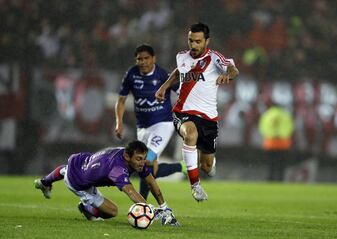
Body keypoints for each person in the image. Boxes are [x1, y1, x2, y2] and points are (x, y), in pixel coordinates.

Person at [155, 23, 239, 201]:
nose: (193, 45)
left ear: (207, 41)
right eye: (190, 41)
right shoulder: (181, 56)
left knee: (206, 166)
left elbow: (233, 69)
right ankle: (195, 186)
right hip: (182, 111)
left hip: (208, 118)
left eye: (198, 42)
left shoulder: (214, 58)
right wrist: (164, 86)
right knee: (190, 134)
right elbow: (179, 72)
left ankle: (209, 165)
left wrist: (227, 75)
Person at [34, 140, 179, 226]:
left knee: (67, 170)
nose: (142, 162)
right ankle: (87, 209)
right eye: (139, 159)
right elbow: (130, 191)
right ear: (127, 156)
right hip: (79, 183)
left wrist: (164, 207)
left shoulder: (130, 158)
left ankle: (45, 182)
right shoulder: (117, 168)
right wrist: (151, 210)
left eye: (144, 158)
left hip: (80, 160)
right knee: (112, 212)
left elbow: (151, 182)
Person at [115, 44, 186, 200]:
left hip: (163, 124)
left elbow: (183, 93)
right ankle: (182, 167)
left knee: (144, 162)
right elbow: (121, 101)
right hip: (142, 128)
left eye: (146, 58)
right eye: (139, 59)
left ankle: (143, 205)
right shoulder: (131, 75)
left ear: (154, 58)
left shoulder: (162, 75)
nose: (143, 62)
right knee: (149, 171)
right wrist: (119, 123)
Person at [258, 104, 294, 181]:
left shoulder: (267, 114)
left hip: (270, 143)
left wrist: (272, 134)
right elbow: (290, 128)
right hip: (283, 143)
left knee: (271, 163)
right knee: (281, 164)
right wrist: (280, 134)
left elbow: (262, 128)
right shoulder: (285, 115)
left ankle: (270, 178)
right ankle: (280, 179)